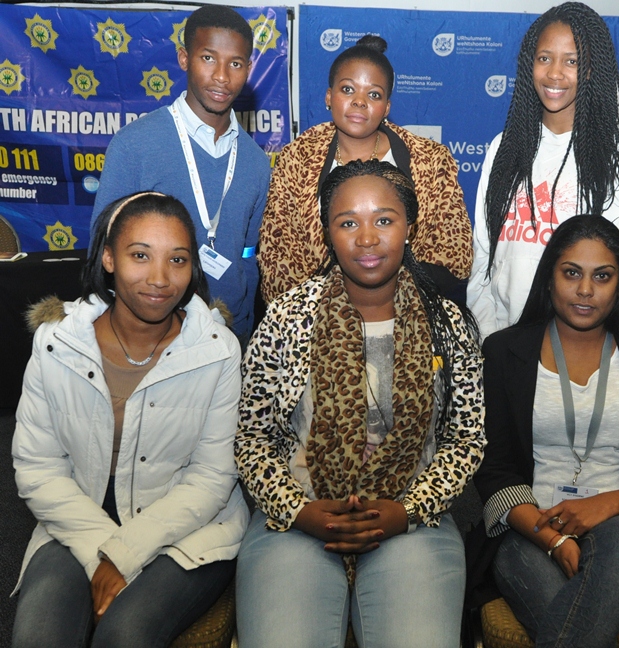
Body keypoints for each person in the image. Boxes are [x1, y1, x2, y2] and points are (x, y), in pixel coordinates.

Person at [235, 160, 485, 647]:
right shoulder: (288, 318)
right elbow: (252, 437)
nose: (366, 238)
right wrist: (298, 510)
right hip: (298, 517)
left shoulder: (448, 324)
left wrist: (408, 511)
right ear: (328, 233)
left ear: (409, 227)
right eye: (348, 222)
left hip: (413, 519)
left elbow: (465, 440)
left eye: (384, 220)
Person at [12, 192, 249, 648]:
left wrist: (123, 554)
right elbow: (38, 468)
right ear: (108, 258)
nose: (160, 279)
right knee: (39, 637)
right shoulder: (56, 343)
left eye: (177, 259)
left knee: (126, 636)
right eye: (140, 255)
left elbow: (212, 477)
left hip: (189, 527)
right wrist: (107, 552)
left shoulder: (217, 350)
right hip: (76, 519)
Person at [468, 215, 619, 647]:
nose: (586, 290)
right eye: (572, 273)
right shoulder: (503, 352)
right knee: (579, 619)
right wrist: (551, 538)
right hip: (527, 528)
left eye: (602, 276)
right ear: (549, 277)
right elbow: (491, 467)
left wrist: (603, 507)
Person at [93, 5, 272, 344]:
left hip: (228, 337)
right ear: (184, 58)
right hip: (150, 338)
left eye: (235, 63)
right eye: (208, 58)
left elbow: (248, 257)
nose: (222, 76)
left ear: (248, 69)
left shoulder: (255, 162)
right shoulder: (135, 146)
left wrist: (243, 332)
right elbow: (103, 253)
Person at [467, 3, 619, 338]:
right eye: (544, 58)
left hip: (576, 341)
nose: (554, 73)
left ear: (591, 68)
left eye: (572, 60)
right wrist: (489, 340)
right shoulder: (503, 146)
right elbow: (483, 256)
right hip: (501, 338)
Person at [257, 35, 472, 303]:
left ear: (386, 108)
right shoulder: (296, 159)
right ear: (328, 96)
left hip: (412, 314)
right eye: (348, 89)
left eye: (373, 94)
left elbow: (453, 256)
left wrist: (385, 300)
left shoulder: (432, 160)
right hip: (316, 319)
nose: (360, 101)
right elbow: (279, 255)